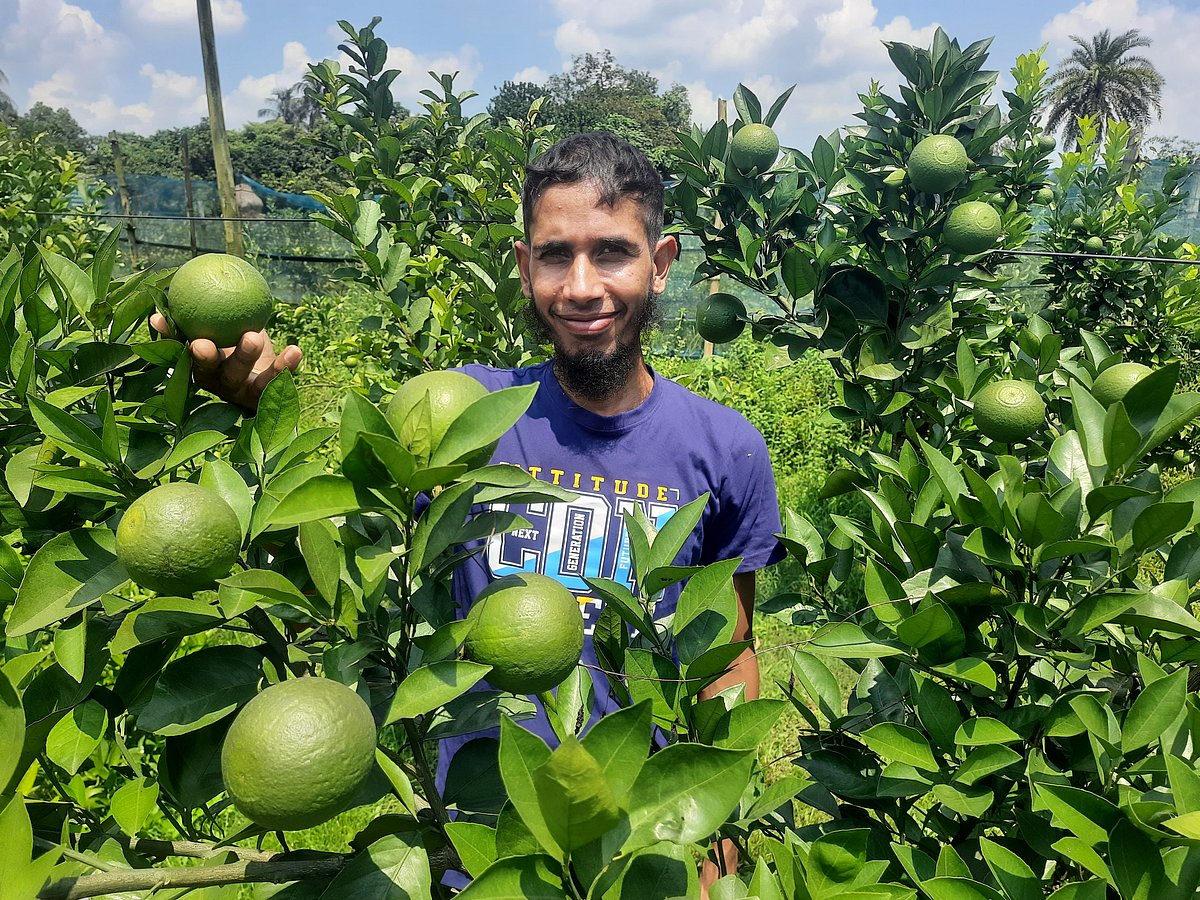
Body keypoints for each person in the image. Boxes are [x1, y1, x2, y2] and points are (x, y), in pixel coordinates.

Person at [161, 132, 784, 889]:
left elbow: (731, 651)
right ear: (524, 267)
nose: (581, 287)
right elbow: (345, 548)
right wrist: (259, 410)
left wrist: (718, 837)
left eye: (612, 253)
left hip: (645, 840)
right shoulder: (464, 412)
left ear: (660, 264)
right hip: (482, 838)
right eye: (555, 256)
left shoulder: (725, 449)